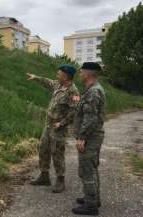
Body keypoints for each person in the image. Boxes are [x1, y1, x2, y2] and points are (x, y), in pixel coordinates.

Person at [27, 64, 80, 193]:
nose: (57, 76)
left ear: (66, 76)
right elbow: (48, 82)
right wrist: (35, 78)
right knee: (43, 148)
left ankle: (60, 180)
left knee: (57, 153)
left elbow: (75, 111)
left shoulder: (74, 92)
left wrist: (62, 123)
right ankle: (44, 176)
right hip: (48, 125)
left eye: (59, 74)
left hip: (59, 128)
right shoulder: (58, 85)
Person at [72, 62, 106, 216]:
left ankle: (91, 206)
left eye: (81, 72)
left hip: (90, 137)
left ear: (88, 74)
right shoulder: (92, 90)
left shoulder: (93, 92)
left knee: (87, 170)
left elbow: (90, 118)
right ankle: (93, 198)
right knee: (91, 168)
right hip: (93, 136)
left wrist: (82, 138)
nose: (80, 74)